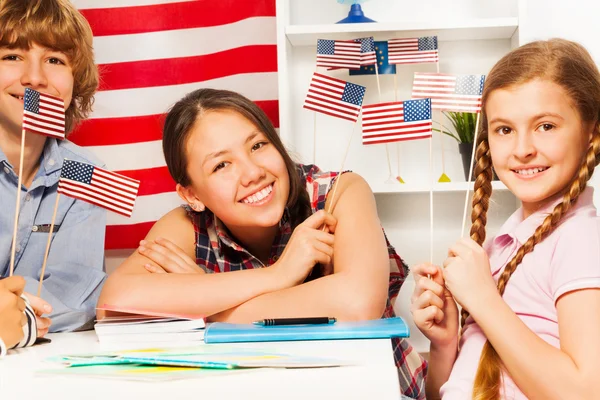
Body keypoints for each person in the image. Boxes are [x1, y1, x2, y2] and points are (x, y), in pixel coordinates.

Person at [98, 88, 427, 399]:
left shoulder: (340, 192)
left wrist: (205, 305)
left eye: (257, 146)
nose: (252, 172)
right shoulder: (187, 225)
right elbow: (114, 304)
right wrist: (278, 275)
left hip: (366, 389)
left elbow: (358, 302)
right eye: (221, 165)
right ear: (192, 195)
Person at [411, 38, 600, 400]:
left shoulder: (579, 239)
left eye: (546, 126)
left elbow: (585, 392)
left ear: (590, 129)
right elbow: (446, 392)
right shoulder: (502, 247)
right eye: (504, 129)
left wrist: (483, 300)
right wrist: (445, 342)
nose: (522, 149)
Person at [0, 0, 106, 338]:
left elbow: (76, 297)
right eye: (12, 56)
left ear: (76, 81)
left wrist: (17, 318)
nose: (34, 78)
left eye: (54, 60)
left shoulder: (86, 171)